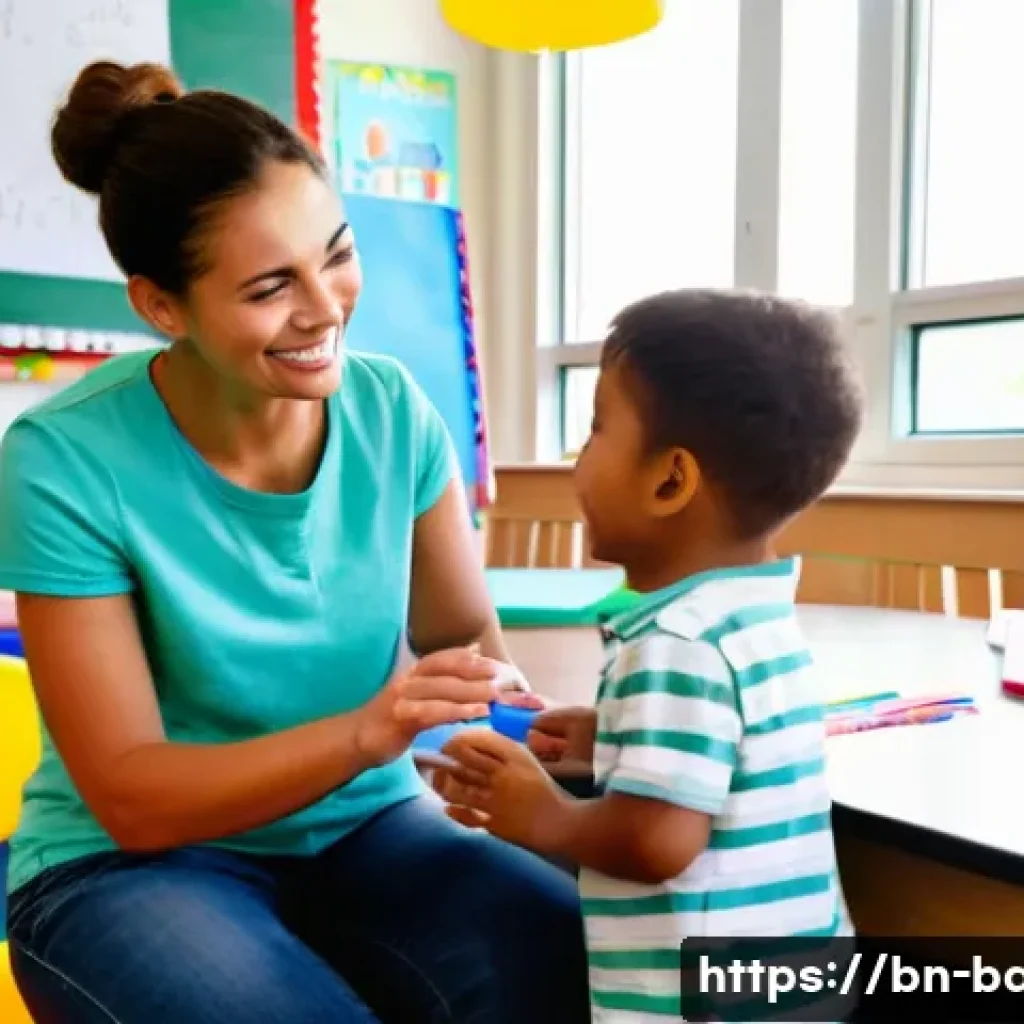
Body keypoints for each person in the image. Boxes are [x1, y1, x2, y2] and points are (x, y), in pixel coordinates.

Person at [0, 60, 590, 1024]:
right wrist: (368, 732)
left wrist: (553, 731)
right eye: (271, 286)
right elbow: (134, 798)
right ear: (162, 307)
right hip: (131, 866)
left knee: (587, 967)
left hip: (370, 829)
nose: (325, 308)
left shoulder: (391, 408)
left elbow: (461, 642)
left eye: (337, 254)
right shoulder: (63, 458)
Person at [432, 289, 865, 1021]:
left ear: (670, 480)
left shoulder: (674, 644)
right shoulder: (755, 616)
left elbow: (657, 839)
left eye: (597, 428)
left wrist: (543, 816)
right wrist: (613, 735)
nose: (577, 456)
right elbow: (732, 755)